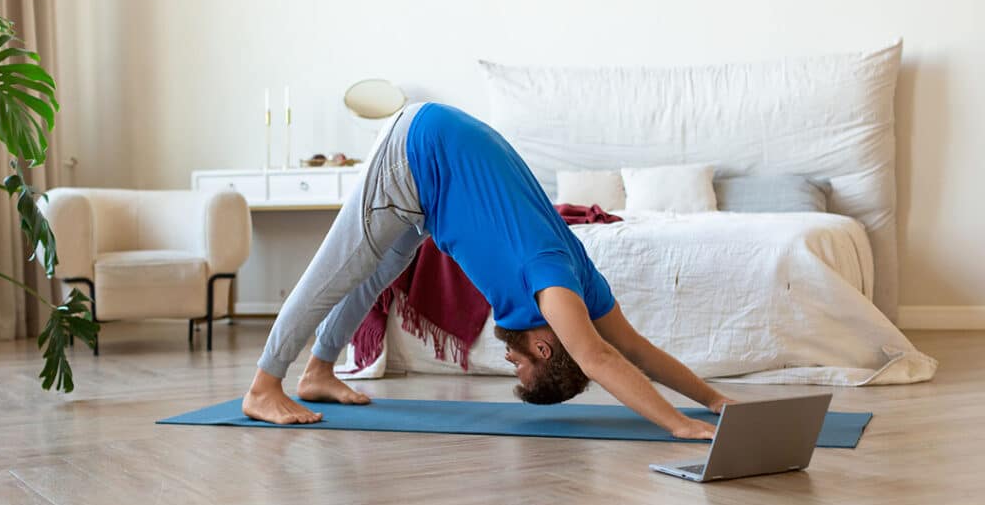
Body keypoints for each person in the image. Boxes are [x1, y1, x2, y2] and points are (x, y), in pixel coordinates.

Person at [243, 103, 734, 439]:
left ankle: (318, 371)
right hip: (417, 150)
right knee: (334, 273)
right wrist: (677, 423)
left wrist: (712, 400)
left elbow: (635, 349)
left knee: (370, 270)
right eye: (522, 366)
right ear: (545, 348)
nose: (510, 360)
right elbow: (601, 357)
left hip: (435, 172)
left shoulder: (580, 279)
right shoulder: (553, 288)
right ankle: (263, 386)